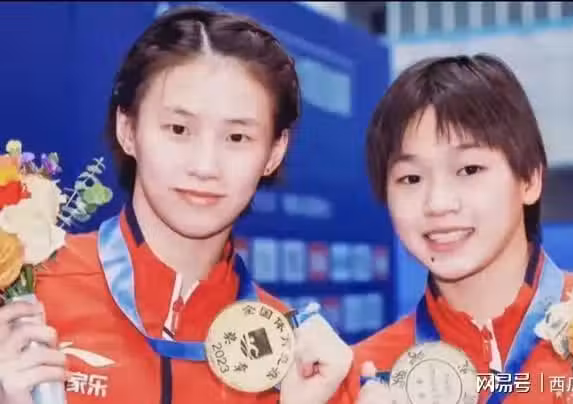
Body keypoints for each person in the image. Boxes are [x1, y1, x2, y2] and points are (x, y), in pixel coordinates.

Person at [0, 6, 352, 404]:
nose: (205, 166)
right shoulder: (27, 297)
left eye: (237, 137)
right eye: (179, 129)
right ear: (127, 129)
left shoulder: (295, 362)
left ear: (274, 151)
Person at [329, 54, 573, 404]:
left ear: (529, 178)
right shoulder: (360, 380)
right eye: (411, 178)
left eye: (469, 170)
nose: (438, 203)